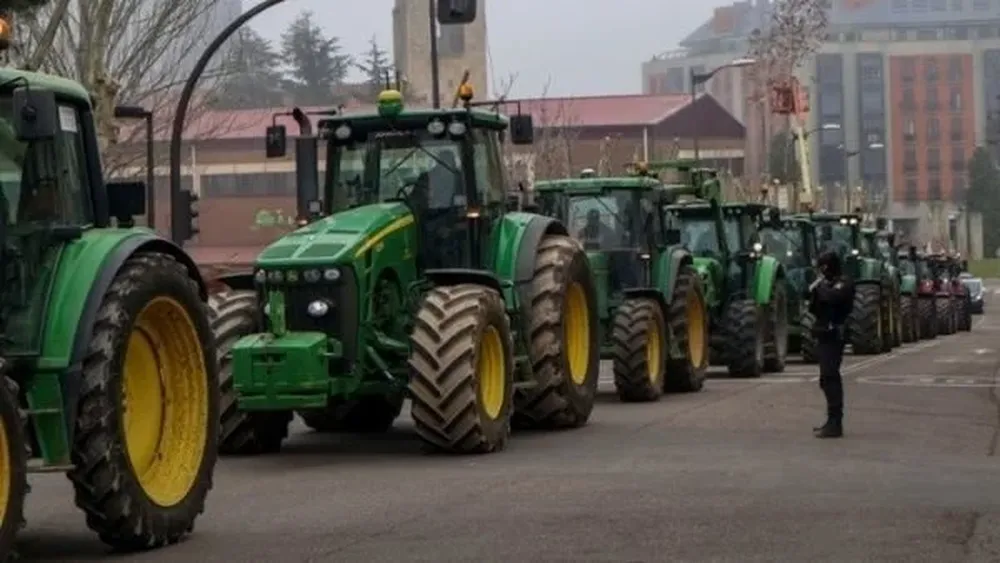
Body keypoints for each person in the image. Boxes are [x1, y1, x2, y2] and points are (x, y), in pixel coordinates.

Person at [808, 250, 855, 439]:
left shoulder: (844, 282)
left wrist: (819, 288)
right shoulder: (825, 285)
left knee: (831, 376)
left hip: (836, 333)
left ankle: (836, 422)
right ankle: (831, 419)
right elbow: (814, 305)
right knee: (825, 379)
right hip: (824, 333)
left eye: (823, 268)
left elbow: (833, 297)